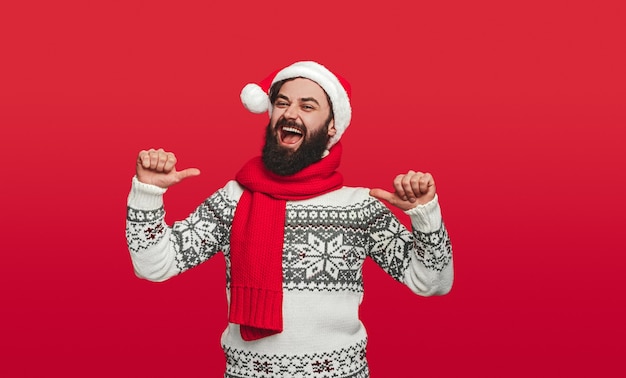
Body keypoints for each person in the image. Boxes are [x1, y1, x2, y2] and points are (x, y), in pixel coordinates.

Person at [126, 61, 453, 378]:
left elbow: (431, 283)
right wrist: (148, 193)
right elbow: (155, 265)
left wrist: (424, 215)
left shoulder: (359, 207)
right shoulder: (233, 198)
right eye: (282, 103)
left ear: (332, 126)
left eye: (307, 106)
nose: (290, 113)